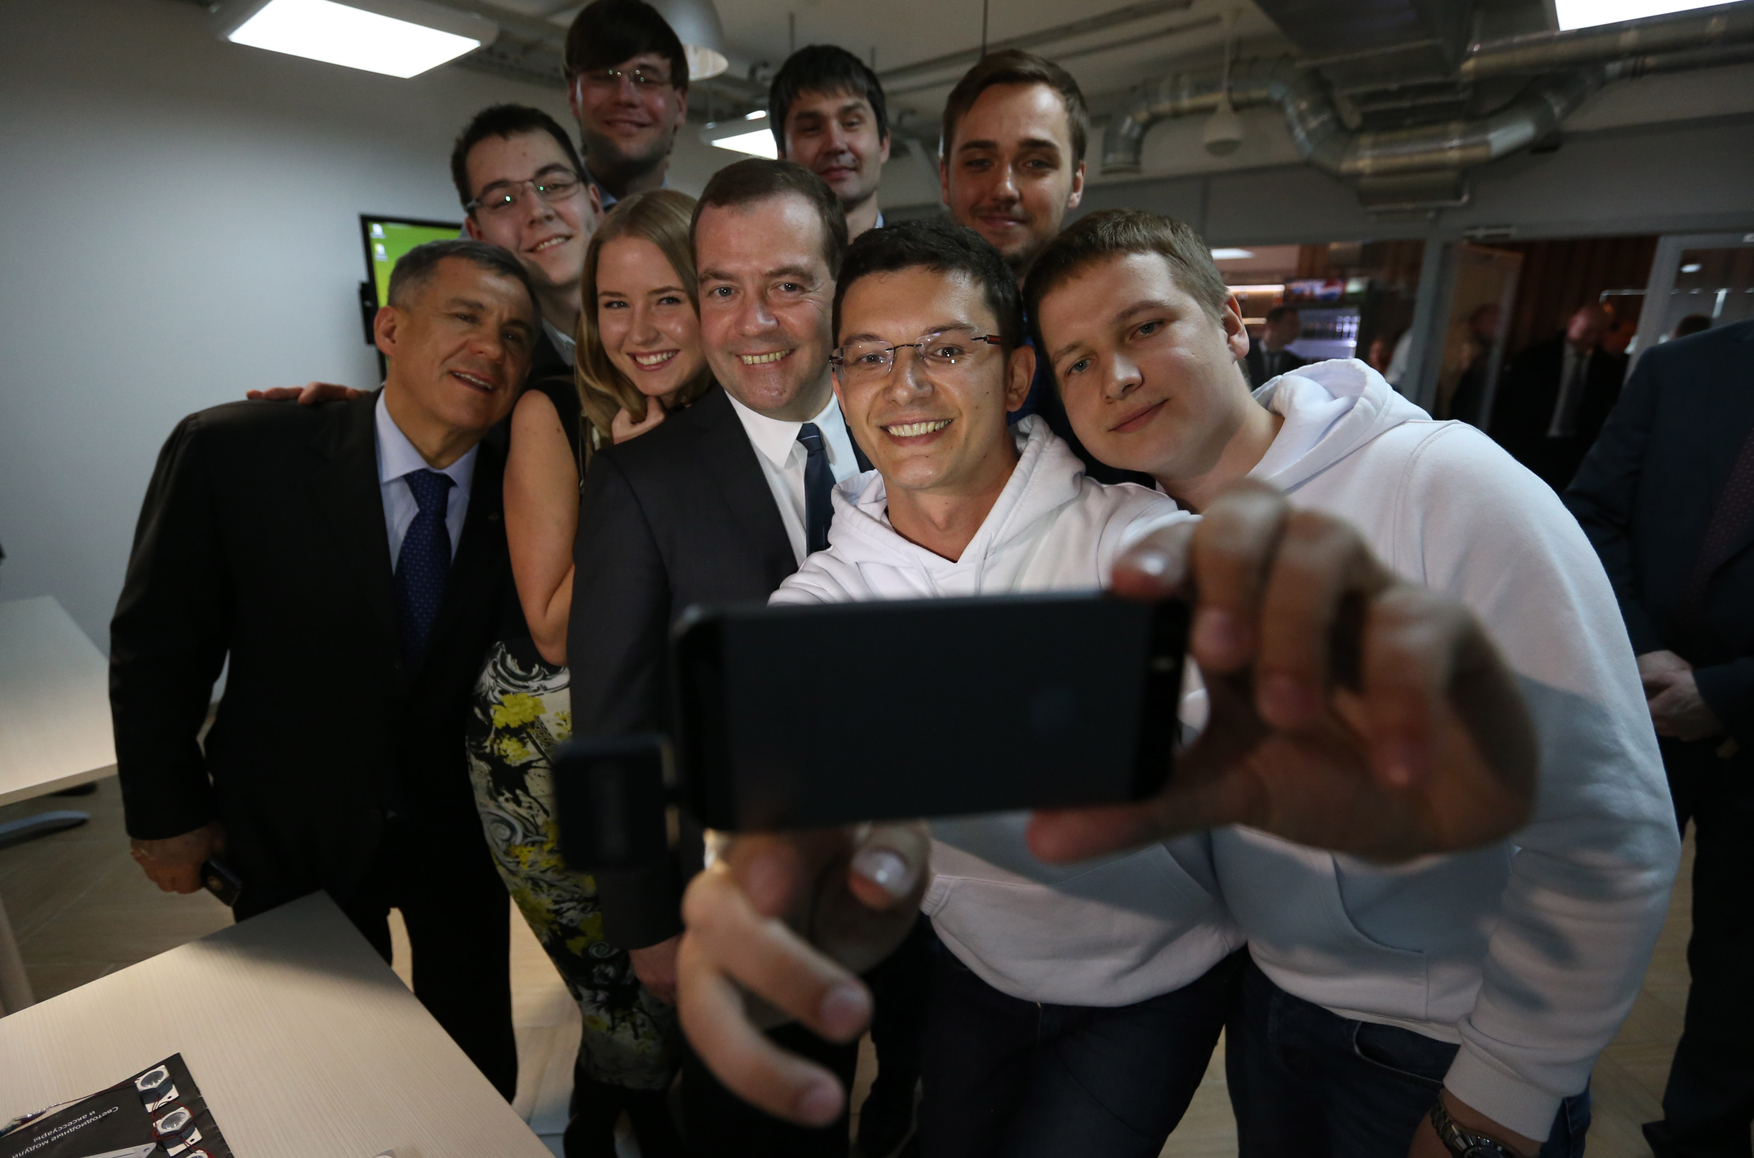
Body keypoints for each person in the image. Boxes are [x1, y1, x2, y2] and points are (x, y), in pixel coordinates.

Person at [1027, 210, 1675, 1158]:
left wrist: (1503, 1095)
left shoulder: (1442, 484)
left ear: (1231, 323)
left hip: (1446, 1044)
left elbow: (1609, 832)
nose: (1116, 376)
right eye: (1078, 361)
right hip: (1270, 1019)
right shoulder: (1140, 548)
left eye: (1145, 327)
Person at [768, 217, 1243, 1157]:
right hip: (978, 967)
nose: (905, 385)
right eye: (870, 356)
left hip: (1159, 979)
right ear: (842, 387)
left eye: (946, 348)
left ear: (1017, 375)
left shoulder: (1133, 539)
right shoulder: (826, 592)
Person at [569, 158, 939, 1158]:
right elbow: (612, 721)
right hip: (751, 903)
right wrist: (646, 921)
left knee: (931, 1104)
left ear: (838, 283)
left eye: (786, 283)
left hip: (943, 888)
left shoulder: (926, 429)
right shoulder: (641, 483)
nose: (753, 322)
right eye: (722, 290)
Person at [114, 240, 539, 1099]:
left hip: (459, 836)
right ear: (391, 329)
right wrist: (168, 813)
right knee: (316, 1070)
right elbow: (161, 645)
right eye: (464, 317)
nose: (490, 349)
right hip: (290, 826)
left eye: (516, 335)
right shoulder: (235, 452)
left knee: (476, 1062)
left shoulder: (533, 487)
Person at [463, 190, 710, 1158]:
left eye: (668, 299)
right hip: (545, 755)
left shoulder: (734, 413)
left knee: (682, 993)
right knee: (621, 994)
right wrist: (626, 482)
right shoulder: (555, 410)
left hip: (678, 750)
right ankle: (606, 1129)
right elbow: (557, 629)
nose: (639, 331)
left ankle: (622, 1110)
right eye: (615, 304)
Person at [1565, 318, 1754, 1158]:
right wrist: (1642, 654)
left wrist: (1727, 693)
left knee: (1740, 962)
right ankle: (1536, 1093)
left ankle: (1701, 1136)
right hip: (1635, 705)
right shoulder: (1681, 369)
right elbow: (1592, 512)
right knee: (1572, 918)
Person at [453, 104, 603, 383]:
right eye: (504, 201)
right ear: (478, 236)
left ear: (594, 204)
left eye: (555, 185)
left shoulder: (680, 324)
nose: (537, 211)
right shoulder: (484, 379)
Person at [564, 0, 690, 207]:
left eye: (645, 80)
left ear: (681, 104)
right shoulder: (535, 225)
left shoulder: (701, 226)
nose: (624, 96)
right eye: (603, 77)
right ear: (573, 96)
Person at [1489, 302, 1627, 491]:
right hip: (1529, 445)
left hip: (1574, 453)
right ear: (1572, 323)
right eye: (1588, 331)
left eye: (1599, 332)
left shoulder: (1608, 369)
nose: (1592, 338)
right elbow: (1508, 407)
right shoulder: (1534, 358)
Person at [770, 45, 891, 240]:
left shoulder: (922, 259)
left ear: (884, 143)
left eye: (851, 123)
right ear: (782, 154)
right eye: (811, 128)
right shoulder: (755, 259)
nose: (835, 144)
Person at [1446, 303, 1502, 427]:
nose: (1495, 327)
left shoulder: (1498, 363)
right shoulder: (1469, 354)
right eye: (1488, 322)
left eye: (1497, 322)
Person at [1244, 304, 1306, 387]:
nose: (1296, 330)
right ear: (1271, 325)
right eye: (1291, 324)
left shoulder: (1297, 364)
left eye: (1297, 325)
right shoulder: (1244, 358)